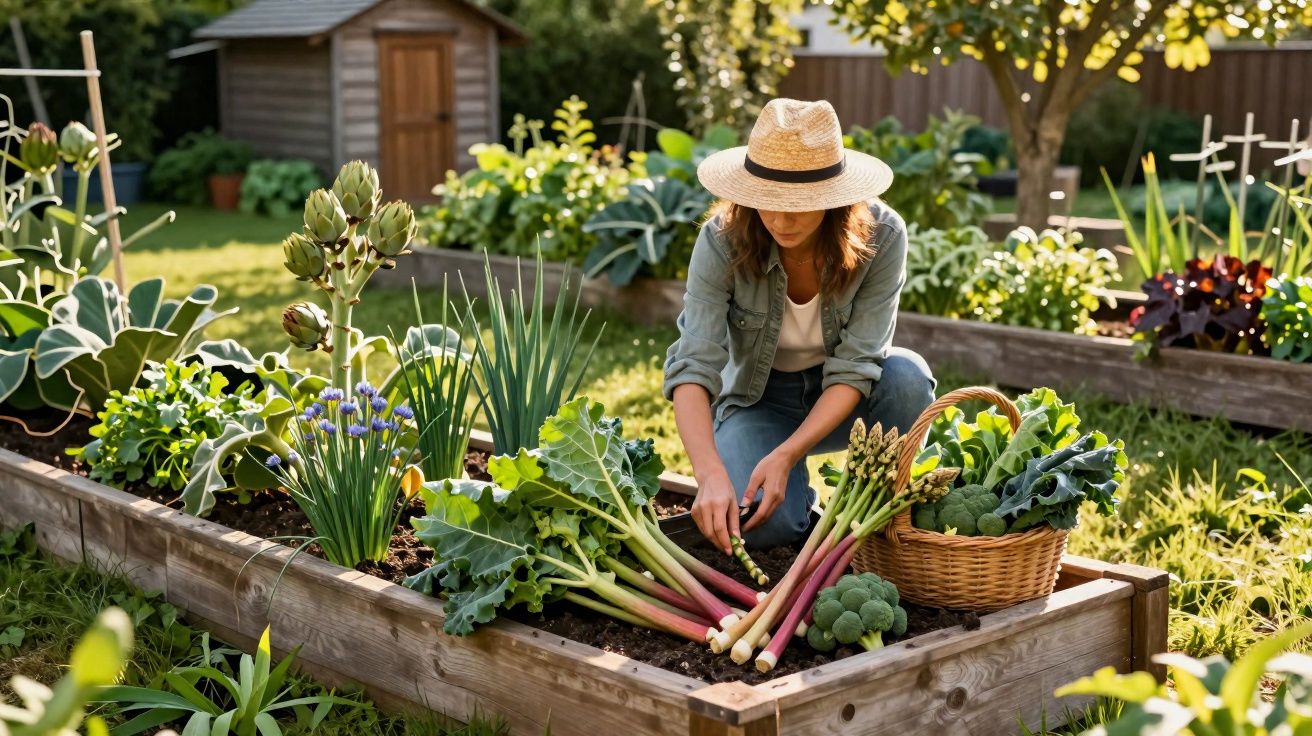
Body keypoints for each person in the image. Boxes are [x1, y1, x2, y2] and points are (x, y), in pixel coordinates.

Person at [663, 98, 935, 555]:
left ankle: (876, 510)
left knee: (906, 377)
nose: (780, 221)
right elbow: (693, 365)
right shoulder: (721, 240)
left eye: (799, 205)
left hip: (847, 400)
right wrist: (708, 473)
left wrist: (789, 453)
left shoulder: (882, 236)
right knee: (762, 527)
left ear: (834, 200)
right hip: (758, 400)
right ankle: (803, 514)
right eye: (767, 202)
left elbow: (856, 366)